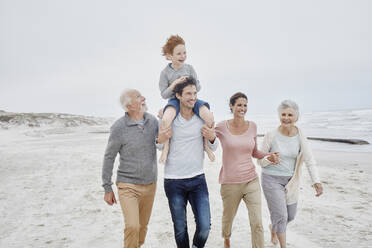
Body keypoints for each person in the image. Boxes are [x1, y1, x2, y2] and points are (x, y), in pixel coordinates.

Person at [102, 89, 170, 248]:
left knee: (142, 227)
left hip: (150, 184)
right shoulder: (119, 127)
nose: (144, 98)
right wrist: (107, 188)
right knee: (132, 226)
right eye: (138, 97)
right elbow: (109, 157)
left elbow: (160, 144)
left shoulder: (152, 121)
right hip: (128, 185)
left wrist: (164, 120)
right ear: (129, 105)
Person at [215, 92, 279, 248]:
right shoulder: (222, 126)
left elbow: (254, 152)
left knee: (257, 221)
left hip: (251, 180)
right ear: (231, 106)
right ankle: (227, 240)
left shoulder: (252, 126)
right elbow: (208, 138)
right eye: (239, 105)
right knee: (228, 218)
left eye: (245, 105)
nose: (242, 108)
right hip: (230, 182)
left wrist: (270, 155)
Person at [257, 100, 323, 248]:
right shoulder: (271, 135)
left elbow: (309, 159)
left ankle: (274, 228)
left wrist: (316, 182)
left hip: (291, 181)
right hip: (271, 179)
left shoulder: (300, 136)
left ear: (297, 117)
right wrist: (269, 159)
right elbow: (260, 161)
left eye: (290, 115)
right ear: (279, 116)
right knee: (281, 215)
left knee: (290, 216)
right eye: (283, 114)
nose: (286, 117)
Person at [162, 77, 218, 248]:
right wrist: (163, 137)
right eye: (188, 94)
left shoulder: (201, 119)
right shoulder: (171, 119)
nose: (192, 97)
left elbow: (213, 146)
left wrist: (212, 138)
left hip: (197, 179)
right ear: (178, 96)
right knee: (180, 228)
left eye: (194, 93)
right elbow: (158, 144)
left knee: (204, 227)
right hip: (173, 180)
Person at [158, 34, 215, 164]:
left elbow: (198, 87)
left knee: (209, 117)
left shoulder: (189, 68)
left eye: (184, 53)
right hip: (174, 101)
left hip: (191, 99)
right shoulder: (165, 73)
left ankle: (205, 146)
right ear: (169, 56)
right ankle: (166, 148)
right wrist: (174, 85)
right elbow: (164, 94)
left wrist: (191, 82)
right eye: (179, 54)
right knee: (166, 119)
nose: (183, 56)